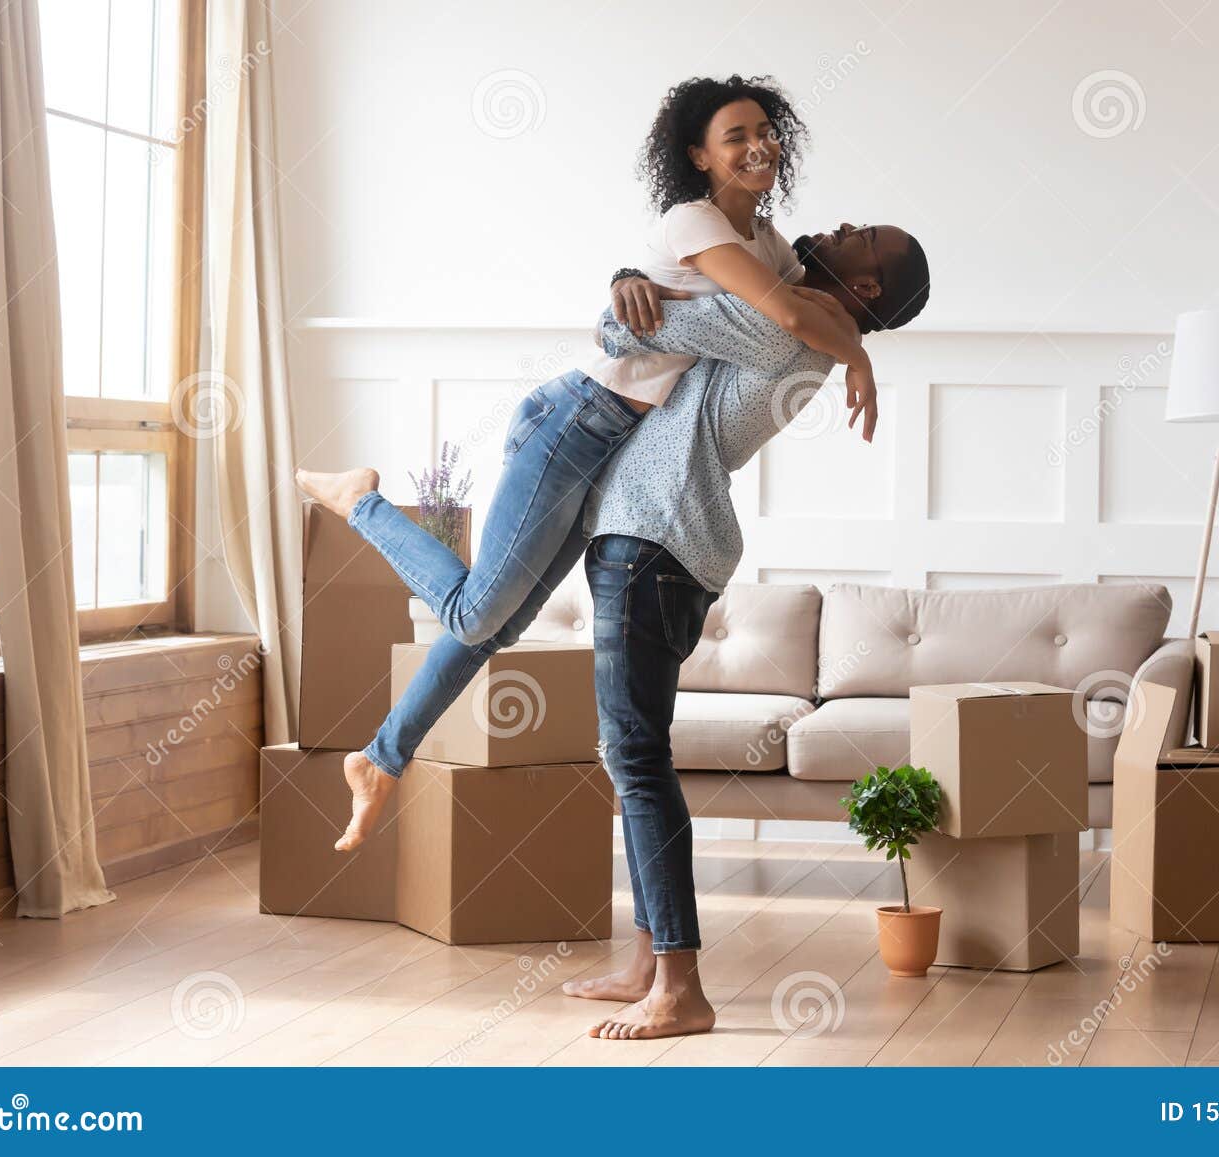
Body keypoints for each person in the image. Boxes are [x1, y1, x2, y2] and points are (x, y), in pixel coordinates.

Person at [297, 75, 881, 851]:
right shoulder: (694, 220)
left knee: (492, 631)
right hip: (576, 419)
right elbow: (781, 321)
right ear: (700, 156)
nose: (755, 145)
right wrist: (858, 360)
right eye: (734, 135)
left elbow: (800, 309)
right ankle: (360, 499)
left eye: (764, 131)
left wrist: (843, 338)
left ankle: (379, 759)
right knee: (476, 613)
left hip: (613, 450)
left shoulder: (769, 245)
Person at [566, 225, 930, 1040]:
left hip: (653, 543)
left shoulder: (780, 323)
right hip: (657, 544)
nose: (836, 228)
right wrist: (636, 275)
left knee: (635, 758)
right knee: (633, 755)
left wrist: (633, 281)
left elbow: (625, 325)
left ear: (865, 288)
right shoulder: (802, 326)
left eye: (858, 238)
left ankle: (680, 987)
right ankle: (645, 962)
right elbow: (654, 305)